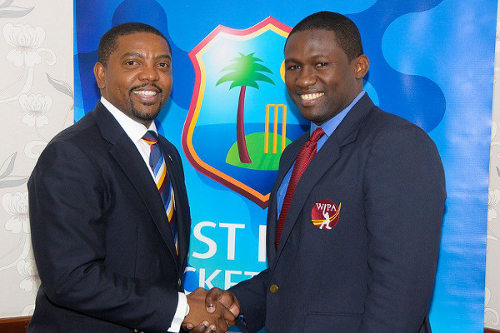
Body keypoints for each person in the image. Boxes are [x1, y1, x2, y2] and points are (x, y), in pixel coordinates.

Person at [203, 11, 446, 332]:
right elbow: (296, 270)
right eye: (293, 67)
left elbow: (401, 290)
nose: (304, 79)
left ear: (359, 66)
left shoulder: (397, 144)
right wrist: (238, 302)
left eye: (321, 64)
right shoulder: (296, 152)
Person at [27, 23, 233, 333]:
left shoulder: (167, 153)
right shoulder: (71, 155)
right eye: (132, 63)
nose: (151, 75)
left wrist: (188, 308)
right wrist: (179, 309)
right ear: (100, 74)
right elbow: (70, 279)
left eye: (162, 64)